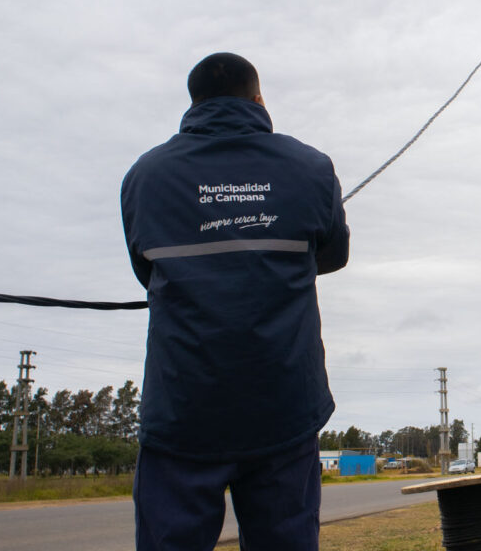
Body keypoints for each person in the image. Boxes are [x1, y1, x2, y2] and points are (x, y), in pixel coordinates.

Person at [121, 52, 350, 550]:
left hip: (182, 408)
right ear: (259, 98)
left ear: (193, 101)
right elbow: (332, 256)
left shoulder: (145, 176)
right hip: (284, 405)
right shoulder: (311, 167)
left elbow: (147, 271)